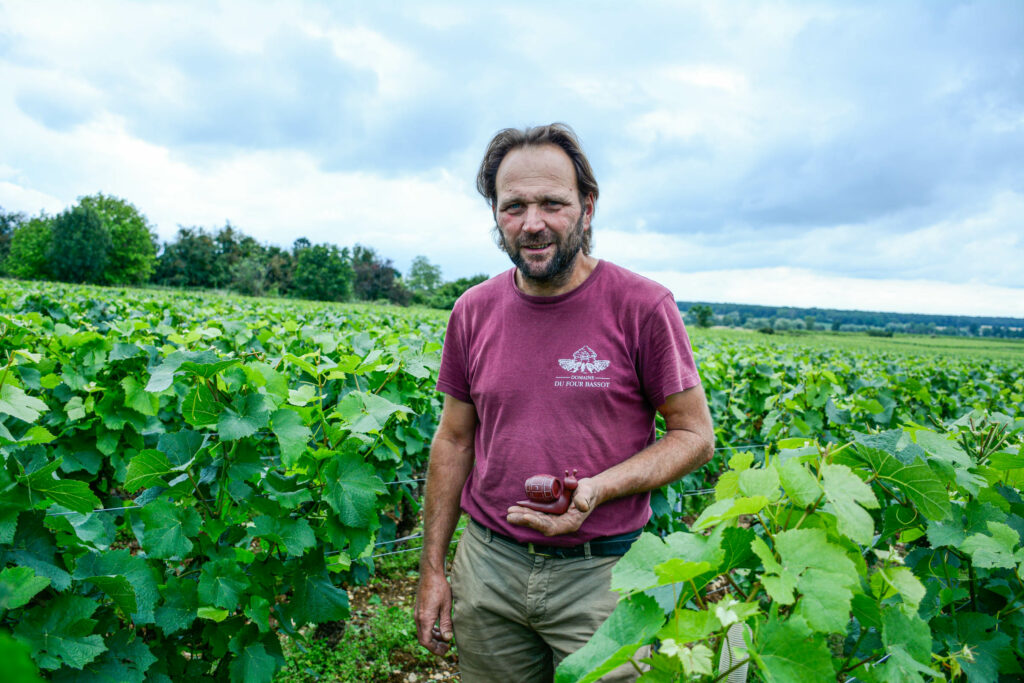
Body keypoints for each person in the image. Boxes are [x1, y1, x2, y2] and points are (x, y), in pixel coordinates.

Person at [414, 123, 715, 682]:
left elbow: (694, 436)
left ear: (587, 207)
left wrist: (599, 489)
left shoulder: (643, 306)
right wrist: (433, 569)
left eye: (552, 203)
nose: (532, 223)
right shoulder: (472, 310)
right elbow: (453, 439)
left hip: (604, 575)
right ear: (496, 214)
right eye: (514, 206)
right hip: (489, 569)